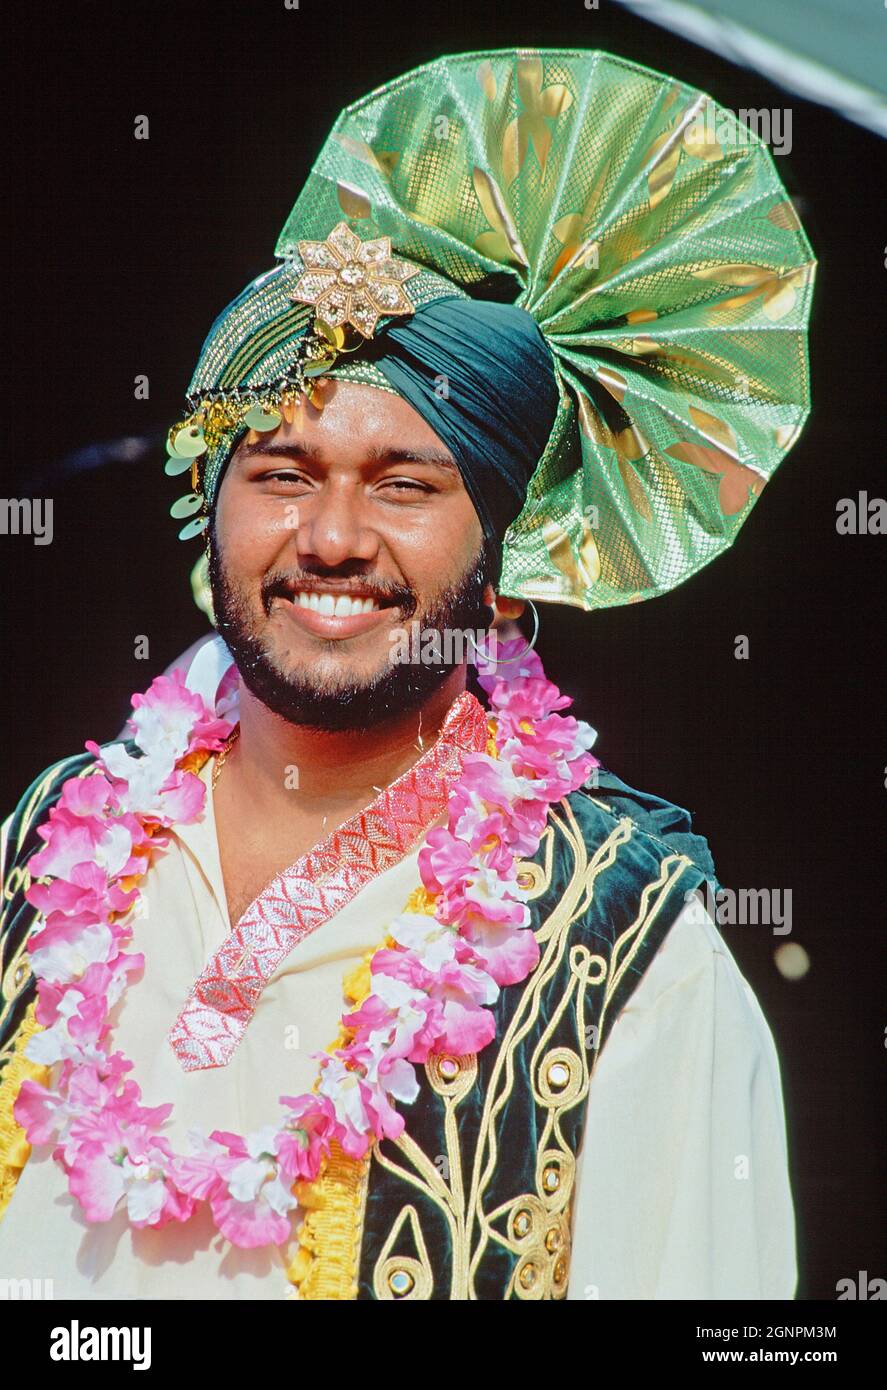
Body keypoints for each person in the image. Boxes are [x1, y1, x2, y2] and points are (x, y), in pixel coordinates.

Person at [0, 46, 813, 1300]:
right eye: (277, 473)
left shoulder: (619, 945)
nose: (329, 538)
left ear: (502, 555)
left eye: (403, 484)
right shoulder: (42, 849)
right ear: (208, 514)